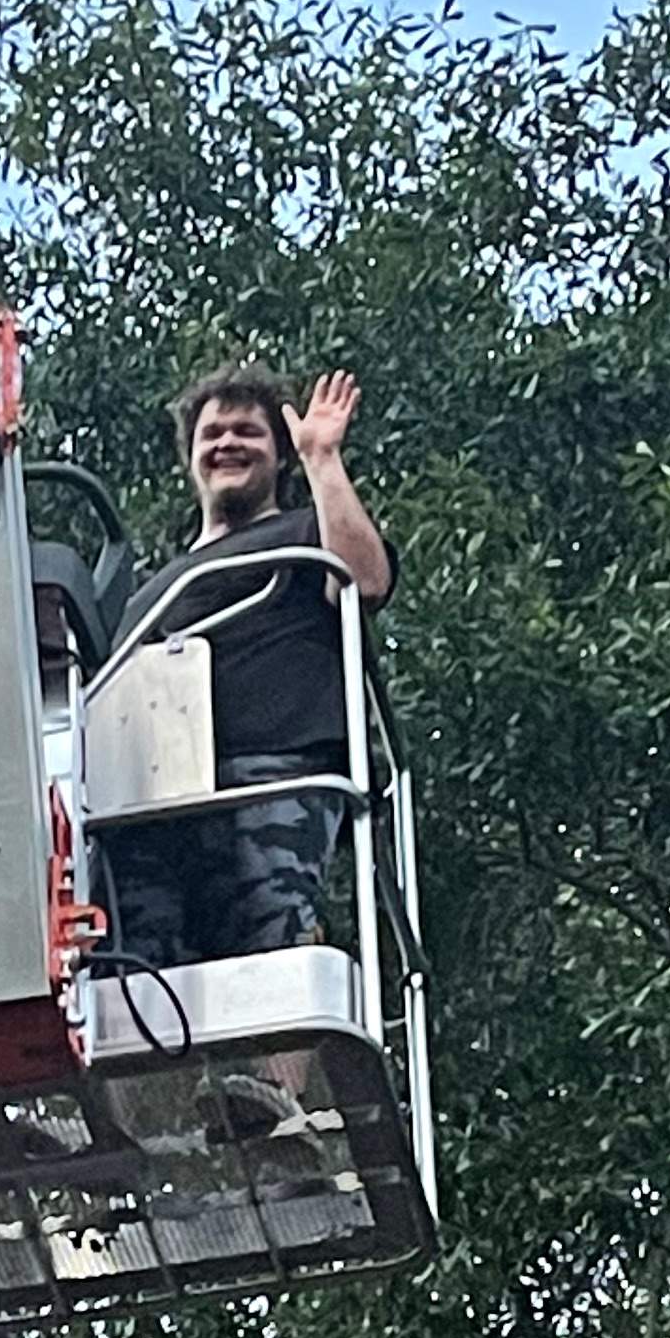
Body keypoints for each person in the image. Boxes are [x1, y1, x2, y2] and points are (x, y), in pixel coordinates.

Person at [96, 362, 393, 966]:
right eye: (212, 434)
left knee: (272, 964)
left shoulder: (306, 531)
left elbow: (363, 581)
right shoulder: (148, 593)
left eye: (247, 432)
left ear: (278, 455)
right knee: (145, 978)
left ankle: (277, 1069)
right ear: (191, 459)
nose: (228, 443)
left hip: (272, 777)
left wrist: (322, 459)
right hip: (150, 804)